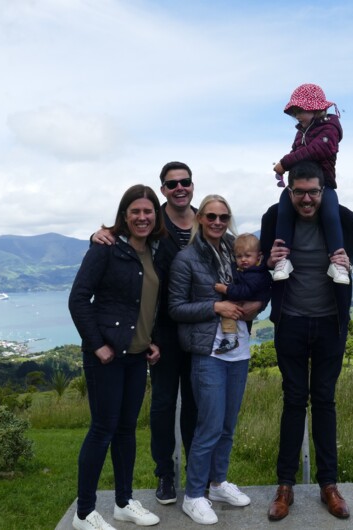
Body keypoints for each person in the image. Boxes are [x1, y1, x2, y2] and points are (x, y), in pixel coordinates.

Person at [260, 160, 353, 522]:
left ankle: (329, 485)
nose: (306, 199)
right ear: (289, 191)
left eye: (312, 192)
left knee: (324, 401)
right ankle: (285, 487)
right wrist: (267, 260)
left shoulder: (342, 217)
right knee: (293, 401)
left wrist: (349, 260)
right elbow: (258, 260)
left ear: (322, 191)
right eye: (299, 192)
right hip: (290, 322)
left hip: (330, 324)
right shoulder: (273, 218)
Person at [92, 161, 199, 505]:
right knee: (163, 405)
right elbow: (123, 243)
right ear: (163, 189)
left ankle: (198, 477)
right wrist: (96, 235)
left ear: (192, 185)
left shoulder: (207, 220)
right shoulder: (154, 224)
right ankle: (165, 475)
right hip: (162, 333)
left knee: (196, 406)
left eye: (185, 182)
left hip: (200, 330)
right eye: (171, 184)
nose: (179, 188)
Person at [68, 184, 166, 530]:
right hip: (106, 357)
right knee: (102, 429)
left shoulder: (154, 250)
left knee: (126, 430)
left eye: (148, 211)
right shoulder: (105, 248)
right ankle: (84, 513)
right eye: (135, 211)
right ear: (124, 215)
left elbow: (144, 304)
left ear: (156, 215)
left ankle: (123, 502)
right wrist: (97, 345)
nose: (142, 217)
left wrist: (150, 340)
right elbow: (78, 299)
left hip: (137, 356)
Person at [168, 195, 269, 525]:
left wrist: (258, 305)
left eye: (223, 216)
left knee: (227, 424)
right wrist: (215, 307)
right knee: (209, 425)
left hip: (238, 350)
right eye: (210, 216)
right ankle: (195, 495)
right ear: (200, 218)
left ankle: (218, 482)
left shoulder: (237, 247)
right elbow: (176, 309)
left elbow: (260, 283)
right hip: (208, 352)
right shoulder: (186, 258)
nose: (217, 222)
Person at [271, 83, 349, 285]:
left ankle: (338, 262)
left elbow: (316, 151)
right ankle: (282, 260)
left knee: (331, 215)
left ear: (316, 108)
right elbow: (296, 151)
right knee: (284, 210)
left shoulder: (329, 129)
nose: (297, 115)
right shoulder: (302, 132)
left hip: (325, 185)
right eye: (295, 111)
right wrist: (283, 164)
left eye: (301, 111)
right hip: (298, 183)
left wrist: (285, 163)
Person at [213, 233, 272, 354]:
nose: (243, 259)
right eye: (239, 257)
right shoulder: (253, 270)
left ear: (259, 257)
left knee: (228, 310)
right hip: (252, 303)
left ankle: (230, 340)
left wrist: (226, 289)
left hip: (246, 302)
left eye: (247, 256)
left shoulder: (255, 275)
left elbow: (244, 291)